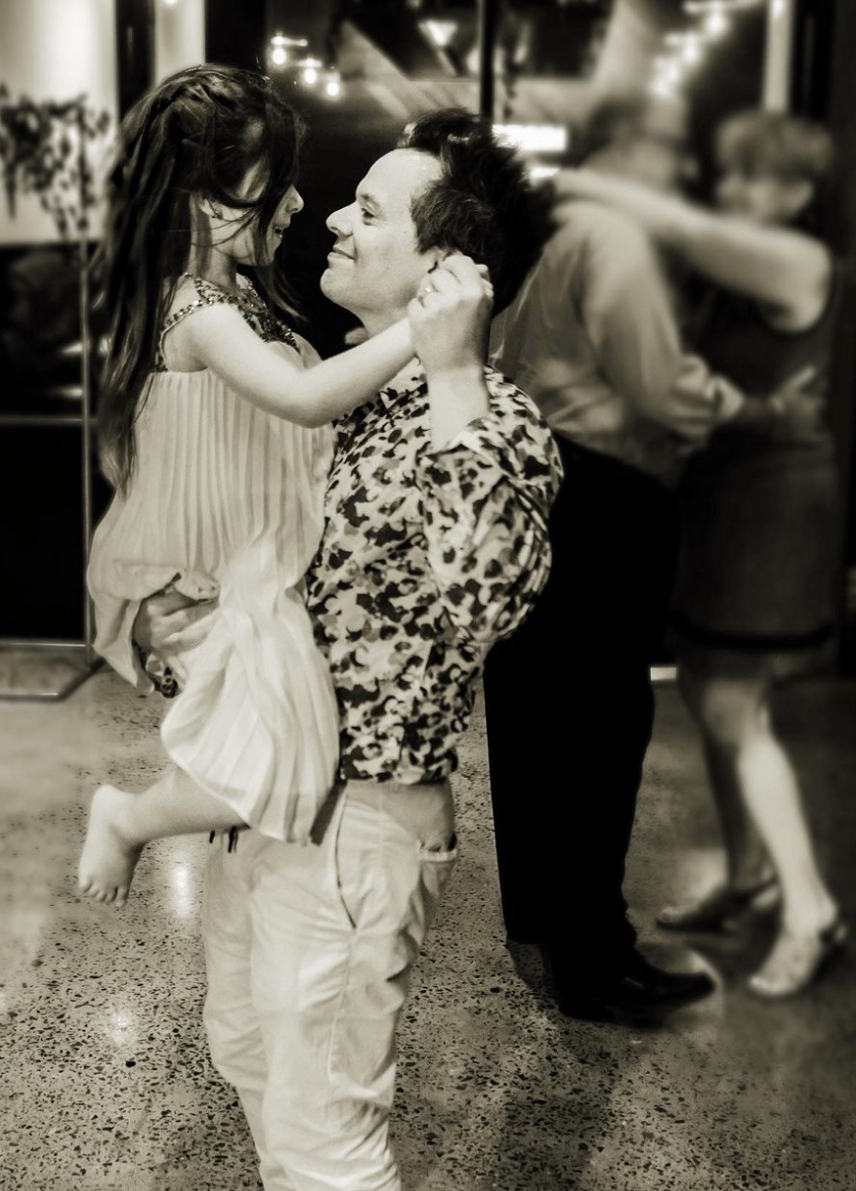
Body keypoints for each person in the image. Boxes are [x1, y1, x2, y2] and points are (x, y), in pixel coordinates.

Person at [131, 108, 561, 1191]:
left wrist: (457, 371)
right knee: (247, 1055)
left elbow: (490, 597)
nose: (329, 217)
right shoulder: (351, 399)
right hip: (267, 808)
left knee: (326, 1148)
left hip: (355, 830)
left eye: (367, 210)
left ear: (445, 271)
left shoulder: (489, 416)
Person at [483, 92, 820, 1022]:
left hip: (541, 481)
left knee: (538, 719)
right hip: (608, 493)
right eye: (670, 149)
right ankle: (599, 955)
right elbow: (662, 387)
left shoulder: (547, 230)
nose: (683, 171)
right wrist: (762, 413)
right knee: (601, 728)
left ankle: (545, 931)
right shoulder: (617, 239)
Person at [77, 65, 444, 906]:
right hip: (224, 576)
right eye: (277, 187)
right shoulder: (199, 312)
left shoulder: (243, 299)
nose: (298, 207)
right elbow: (308, 402)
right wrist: (430, 329)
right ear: (213, 203)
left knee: (273, 757)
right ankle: (125, 816)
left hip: (250, 569)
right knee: (279, 762)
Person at [556, 108, 847, 998]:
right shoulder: (734, 275)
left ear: (800, 193)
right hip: (722, 500)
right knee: (717, 689)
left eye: (756, 178)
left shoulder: (798, 262)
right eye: (730, 174)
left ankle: (810, 909)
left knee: (729, 705)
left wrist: (582, 181)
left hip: (775, 507)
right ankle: (750, 875)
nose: (734, 193)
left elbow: (681, 226)